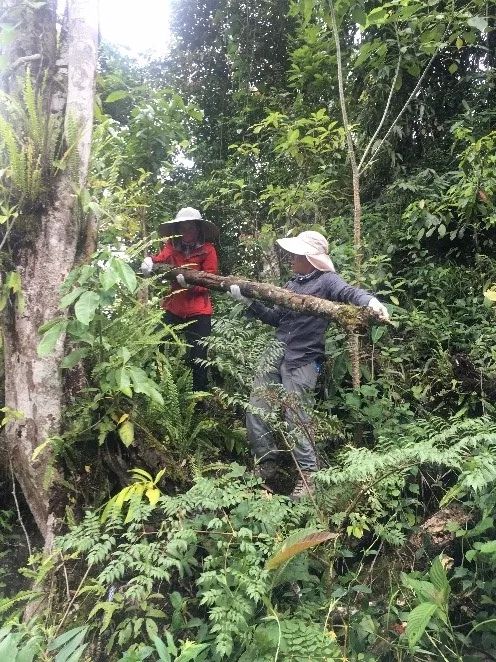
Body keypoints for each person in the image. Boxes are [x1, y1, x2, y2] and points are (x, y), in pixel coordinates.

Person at [229, 230, 389, 500]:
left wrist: (370, 302)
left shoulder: (327, 280)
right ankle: (267, 465)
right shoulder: (292, 284)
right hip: (275, 352)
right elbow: (276, 318)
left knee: (296, 418)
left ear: (311, 258)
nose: (292, 258)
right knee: (256, 408)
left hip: (304, 359)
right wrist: (249, 303)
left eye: (297, 254)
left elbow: (348, 292)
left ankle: (308, 476)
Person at [141, 207, 219, 391]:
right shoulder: (172, 245)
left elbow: (211, 278)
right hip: (174, 307)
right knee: (157, 344)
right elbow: (161, 258)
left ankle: (199, 402)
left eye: (190, 227)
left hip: (199, 311)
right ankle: (156, 389)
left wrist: (192, 284)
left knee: (198, 358)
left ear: (198, 228)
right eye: (183, 227)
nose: (186, 232)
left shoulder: (208, 250)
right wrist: (150, 261)